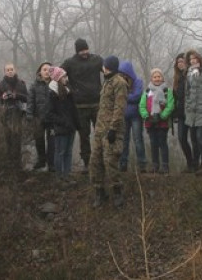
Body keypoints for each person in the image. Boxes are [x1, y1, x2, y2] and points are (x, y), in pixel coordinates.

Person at [90, 56, 129, 207]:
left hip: (112, 130)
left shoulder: (119, 82)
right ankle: (99, 193)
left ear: (109, 67)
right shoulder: (106, 82)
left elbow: (119, 108)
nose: (102, 68)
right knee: (95, 161)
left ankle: (117, 192)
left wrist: (113, 128)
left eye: (104, 66)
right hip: (100, 129)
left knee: (110, 161)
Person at [60, 39, 103, 170]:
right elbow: (58, 74)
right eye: (81, 50)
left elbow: (109, 71)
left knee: (100, 134)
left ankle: (101, 161)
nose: (84, 52)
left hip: (97, 104)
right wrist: (68, 88)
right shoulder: (70, 63)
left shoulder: (97, 59)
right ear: (77, 51)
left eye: (86, 49)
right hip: (79, 106)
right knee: (84, 136)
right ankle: (87, 163)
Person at [45, 67, 80, 183]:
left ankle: (67, 174)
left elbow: (73, 110)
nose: (66, 78)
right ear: (58, 78)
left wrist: (77, 124)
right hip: (61, 128)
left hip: (71, 127)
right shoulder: (52, 94)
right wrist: (64, 121)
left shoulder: (68, 91)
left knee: (68, 152)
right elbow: (49, 114)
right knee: (60, 152)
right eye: (64, 76)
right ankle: (59, 177)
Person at [0, 63, 29, 171]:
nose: (10, 71)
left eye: (11, 69)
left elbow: (27, 98)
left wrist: (15, 96)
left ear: (15, 70)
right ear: (4, 72)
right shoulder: (0, 85)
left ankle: (18, 165)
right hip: (6, 114)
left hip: (18, 113)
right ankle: (9, 164)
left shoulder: (21, 83)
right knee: (8, 139)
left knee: (17, 140)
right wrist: (2, 97)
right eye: (7, 70)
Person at [140, 68, 175, 174]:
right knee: (153, 143)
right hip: (150, 122)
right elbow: (142, 106)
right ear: (151, 78)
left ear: (162, 78)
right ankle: (155, 165)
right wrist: (146, 116)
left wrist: (162, 116)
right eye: (155, 77)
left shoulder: (167, 91)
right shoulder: (147, 91)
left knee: (162, 143)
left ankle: (165, 165)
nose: (157, 79)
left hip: (162, 122)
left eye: (159, 76)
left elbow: (170, 105)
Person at [117, 60, 147, 173]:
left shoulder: (138, 82)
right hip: (123, 116)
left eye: (124, 73)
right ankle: (123, 164)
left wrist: (124, 97)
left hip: (136, 116)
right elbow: (118, 96)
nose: (122, 76)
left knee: (138, 140)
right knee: (124, 141)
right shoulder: (120, 83)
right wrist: (127, 97)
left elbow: (137, 96)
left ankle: (142, 164)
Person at [26, 62, 55, 172]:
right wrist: (29, 115)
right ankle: (41, 161)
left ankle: (51, 163)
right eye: (44, 69)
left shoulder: (55, 84)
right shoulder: (34, 86)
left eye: (49, 69)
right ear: (40, 72)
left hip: (52, 118)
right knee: (39, 140)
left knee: (52, 141)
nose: (47, 71)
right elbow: (30, 101)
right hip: (38, 117)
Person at [171, 54, 195, 172]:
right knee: (181, 138)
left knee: (195, 138)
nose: (180, 63)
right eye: (178, 61)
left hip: (191, 112)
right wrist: (174, 113)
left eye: (182, 61)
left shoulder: (191, 75)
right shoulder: (177, 78)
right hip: (181, 114)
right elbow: (175, 97)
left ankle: (198, 164)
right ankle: (190, 163)